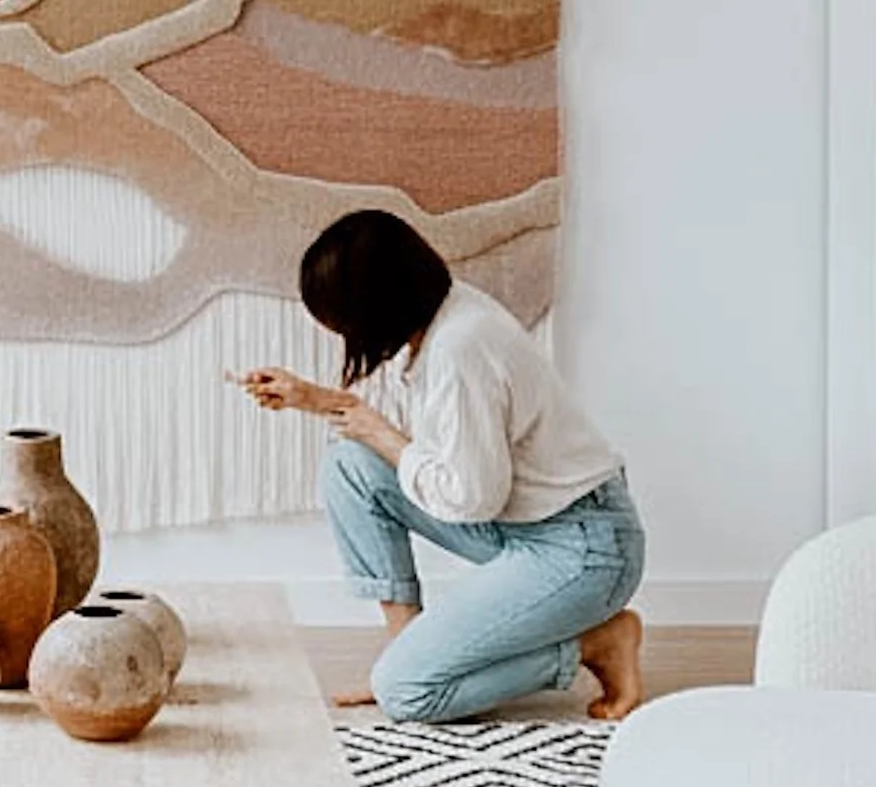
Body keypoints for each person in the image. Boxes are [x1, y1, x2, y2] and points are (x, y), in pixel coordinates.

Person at [237, 210, 645, 726]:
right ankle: (412, 650)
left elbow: (472, 498)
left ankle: (596, 642)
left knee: (406, 695)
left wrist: (379, 431)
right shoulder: (445, 313)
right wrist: (312, 398)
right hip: (529, 522)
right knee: (350, 465)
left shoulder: (459, 348)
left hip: (583, 549)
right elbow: (437, 454)